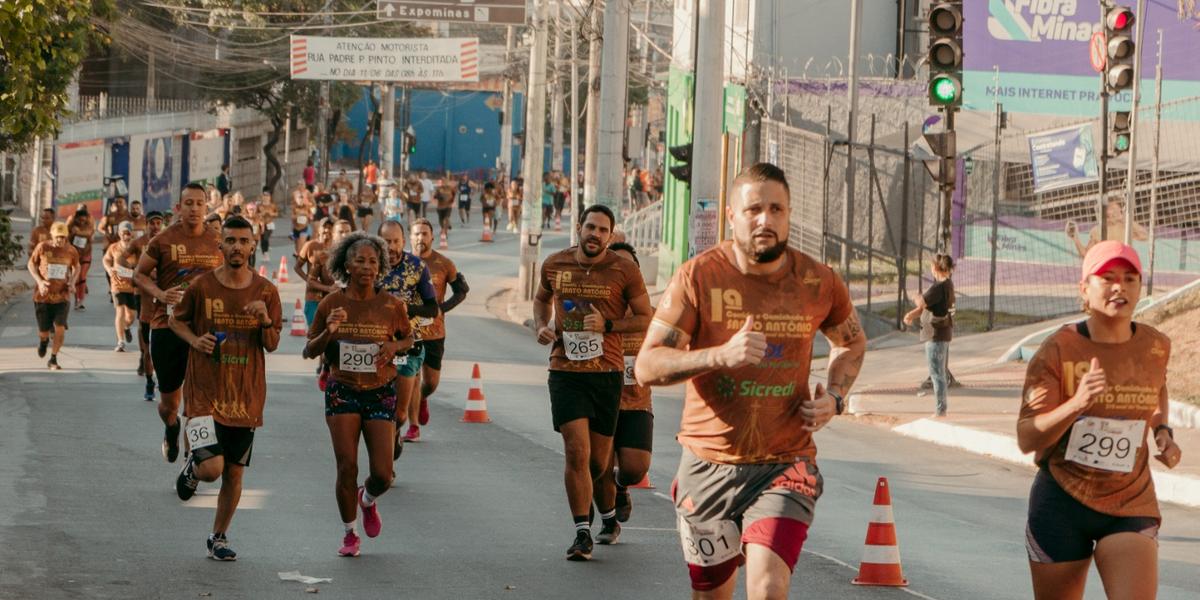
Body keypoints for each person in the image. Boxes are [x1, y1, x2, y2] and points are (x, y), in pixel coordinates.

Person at [635, 163, 866, 597]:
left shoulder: (818, 281)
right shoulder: (698, 276)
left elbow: (851, 343)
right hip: (707, 463)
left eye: (776, 209)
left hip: (785, 462)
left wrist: (835, 397)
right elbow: (646, 366)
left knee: (767, 587)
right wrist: (719, 355)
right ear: (731, 216)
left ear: (789, 214)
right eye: (754, 209)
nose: (766, 220)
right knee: (712, 594)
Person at [1017, 241, 1182, 600]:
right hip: (1062, 501)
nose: (1119, 287)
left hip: (1129, 502)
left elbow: (1157, 387)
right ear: (1084, 289)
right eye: (1107, 278)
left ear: (1140, 287)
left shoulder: (1156, 345)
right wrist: (1077, 403)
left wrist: (1161, 429)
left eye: (1129, 278)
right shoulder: (1058, 349)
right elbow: (1027, 437)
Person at [533, 204, 653, 561]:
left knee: (599, 464)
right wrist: (540, 323)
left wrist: (609, 326)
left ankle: (609, 508)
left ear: (610, 235)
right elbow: (541, 299)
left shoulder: (624, 270)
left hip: (607, 373)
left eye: (603, 230)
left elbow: (645, 317)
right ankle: (581, 531)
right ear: (579, 228)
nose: (595, 234)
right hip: (565, 371)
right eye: (590, 227)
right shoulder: (555, 263)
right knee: (576, 452)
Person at [167, 215, 281, 562]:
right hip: (203, 392)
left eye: (243, 241)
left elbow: (273, 343)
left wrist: (263, 319)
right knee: (212, 468)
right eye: (230, 240)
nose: (237, 247)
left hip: (244, 397)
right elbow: (175, 319)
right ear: (221, 246)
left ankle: (218, 536)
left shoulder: (266, 291)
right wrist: (194, 340)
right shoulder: (202, 287)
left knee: (233, 471)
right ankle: (193, 469)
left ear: (252, 245)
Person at [304, 231, 413, 557]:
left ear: (380, 267)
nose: (367, 266)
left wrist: (394, 345)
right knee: (346, 467)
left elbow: (408, 340)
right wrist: (329, 332)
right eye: (359, 260)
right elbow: (310, 350)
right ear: (346, 265)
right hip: (343, 391)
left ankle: (367, 499)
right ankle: (350, 533)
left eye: (373, 261)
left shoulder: (392, 305)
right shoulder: (331, 303)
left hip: (380, 390)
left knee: (384, 473)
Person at [134, 183, 223, 464]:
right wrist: (160, 294)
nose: (194, 208)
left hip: (204, 330)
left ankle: (191, 457)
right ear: (178, 208)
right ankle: (171, 428)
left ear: (206, 207)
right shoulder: (162, 240)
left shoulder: (218, 241)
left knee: (199, 402)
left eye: (199, 203)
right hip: (167, 326)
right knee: (169, 405)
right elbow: (139, 275)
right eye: (188, 203)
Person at [593, 242, 653, 531]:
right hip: (601, 395)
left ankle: (620, 486)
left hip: (636, 399)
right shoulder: (596, 307)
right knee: (599, 464)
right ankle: (605, 520)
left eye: (630, 267)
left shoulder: (652, 314)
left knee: (634, 468)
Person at [377, 220, 440, 448]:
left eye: (396, 241)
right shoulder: (370, 265)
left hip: (408, 347)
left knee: (400, 414)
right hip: (377, 347)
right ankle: (384, 457)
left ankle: (393, 439)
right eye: (386, 242)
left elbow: (432, 308)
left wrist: (406, 308)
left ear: (404, 242)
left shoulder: (417, 267)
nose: (391, 247)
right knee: (377, 410)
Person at [408, 218, 469, 436]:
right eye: (416, 234)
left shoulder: (444, 263)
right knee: (412, 377)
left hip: (435, 331)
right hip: (409, 332)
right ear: (410, 236)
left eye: (424, 234)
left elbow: (462, 291)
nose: (420, 238)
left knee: (430, 383)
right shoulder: (402, 263)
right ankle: (413, 426)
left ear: (432, 237)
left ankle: (423, 398)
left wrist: (442, 308)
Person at [903, 254, 955, 417]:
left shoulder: (938, 287)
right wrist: (911, 315)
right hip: (943, 333)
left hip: (936, 335)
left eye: (932, 267)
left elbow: (922, 303)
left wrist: (915, 296)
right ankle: (941, 408)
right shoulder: (948, 285)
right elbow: (925, 307)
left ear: (936, 268)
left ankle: (941, 410)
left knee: (936, 373)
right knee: (938, 372)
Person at [28, 222, 80, 370]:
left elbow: (77, 266)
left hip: (62, 295)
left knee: (60, 328)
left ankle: (53, 358)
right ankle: (43, 342)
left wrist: (72, 282)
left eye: (63, 237)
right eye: (58, 237)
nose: (60, 241)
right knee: (44, 332)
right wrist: (40, 282)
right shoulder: (43, 247)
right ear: (52, 236)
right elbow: (31, 265)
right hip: (43, 296)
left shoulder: (71, 250)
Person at [131, 211, 167, 400]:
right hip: (145, 303)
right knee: (147, 351)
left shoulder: (168, 243)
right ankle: (149, 380)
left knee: (163, 350)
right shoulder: (139, 243)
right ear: (146, 224)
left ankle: (163, 378)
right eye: (152, 223)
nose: (155, 226)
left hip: (164, 308)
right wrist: (136, 272)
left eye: (158, 222)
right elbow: (123, 259)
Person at [1065, 198, 1150, 259]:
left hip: (1123, 264)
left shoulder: (1125, 227)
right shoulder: (1096, 231)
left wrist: (1125, 219)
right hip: (1106, 266)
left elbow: (1145, 236)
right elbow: (1086, 255)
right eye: (1108, 209)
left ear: (1120, 210)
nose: (1110, 212)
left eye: (1113, 209)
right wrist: (1075, 238)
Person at [102, 222, 140, 352]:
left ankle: (126, 327)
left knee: (131, 316)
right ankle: (120, 341)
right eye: (123, 233)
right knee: (120, 312)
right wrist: (109, 269)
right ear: (119, 233)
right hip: (117, 284)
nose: (126, 235)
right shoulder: (113, 247)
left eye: (128, 233)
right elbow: (106, 259)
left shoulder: (136, 248)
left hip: (132, 286)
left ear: (132, 233)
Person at [296, 219, 335, 327]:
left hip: (332, 297)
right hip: (313, 296)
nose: (327, 230)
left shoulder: (337, 248)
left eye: (330, 227)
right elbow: (297, 267)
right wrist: (309, 280)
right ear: (319, 230)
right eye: (324, 227)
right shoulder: (310, 245)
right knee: (315, 332)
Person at [67, 205, 95, 311]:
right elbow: (66, 237)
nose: (82, 220)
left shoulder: (90, 222)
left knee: (82, 276)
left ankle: (81, 300)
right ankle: (76, 299)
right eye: (80, 217)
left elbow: (90, 234)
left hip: (86, 253)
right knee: (76, 277)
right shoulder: (71, 221)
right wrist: (71, 234)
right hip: (74, 254)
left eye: (84, 217)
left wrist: (78, 232)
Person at [291, 189, 315, 256]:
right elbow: (292, 217)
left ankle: (300, 259)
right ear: (296, 200)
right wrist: (298, 215)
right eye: (299, 198)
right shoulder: (294, 207)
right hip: (295, 228)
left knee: (300, 245)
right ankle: (298, 256)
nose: (300, 200)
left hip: (304, 228)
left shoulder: (307, 207)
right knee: (296, 245)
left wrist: (307, 215)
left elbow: (311, 216)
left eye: (301, 198)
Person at [257, 188, 278, 260]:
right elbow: (255, 214)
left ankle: (266, 252)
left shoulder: (272, 205)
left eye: (267, 196)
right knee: (262, 238)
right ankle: (264, 252)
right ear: (262, 197)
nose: (266, 197)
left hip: (269, 224)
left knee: (266, 237)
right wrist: (261, 214)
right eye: (264, 196)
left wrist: (271, 213)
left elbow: (276, 213)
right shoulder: (259, 205)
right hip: (261, 224)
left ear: (270, 197)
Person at [435, 177, 455, 243]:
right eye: (443, 182)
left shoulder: (451, 188)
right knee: (440, 220)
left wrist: (451, 201)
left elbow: (454, 194)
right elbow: (435, 196)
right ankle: (443, 228)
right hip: (440, 207)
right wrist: (439, 196)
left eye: (445, 181)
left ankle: (445, 231)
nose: (444, 183)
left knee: (446, 218)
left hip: (448, 206)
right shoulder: (439, 189)